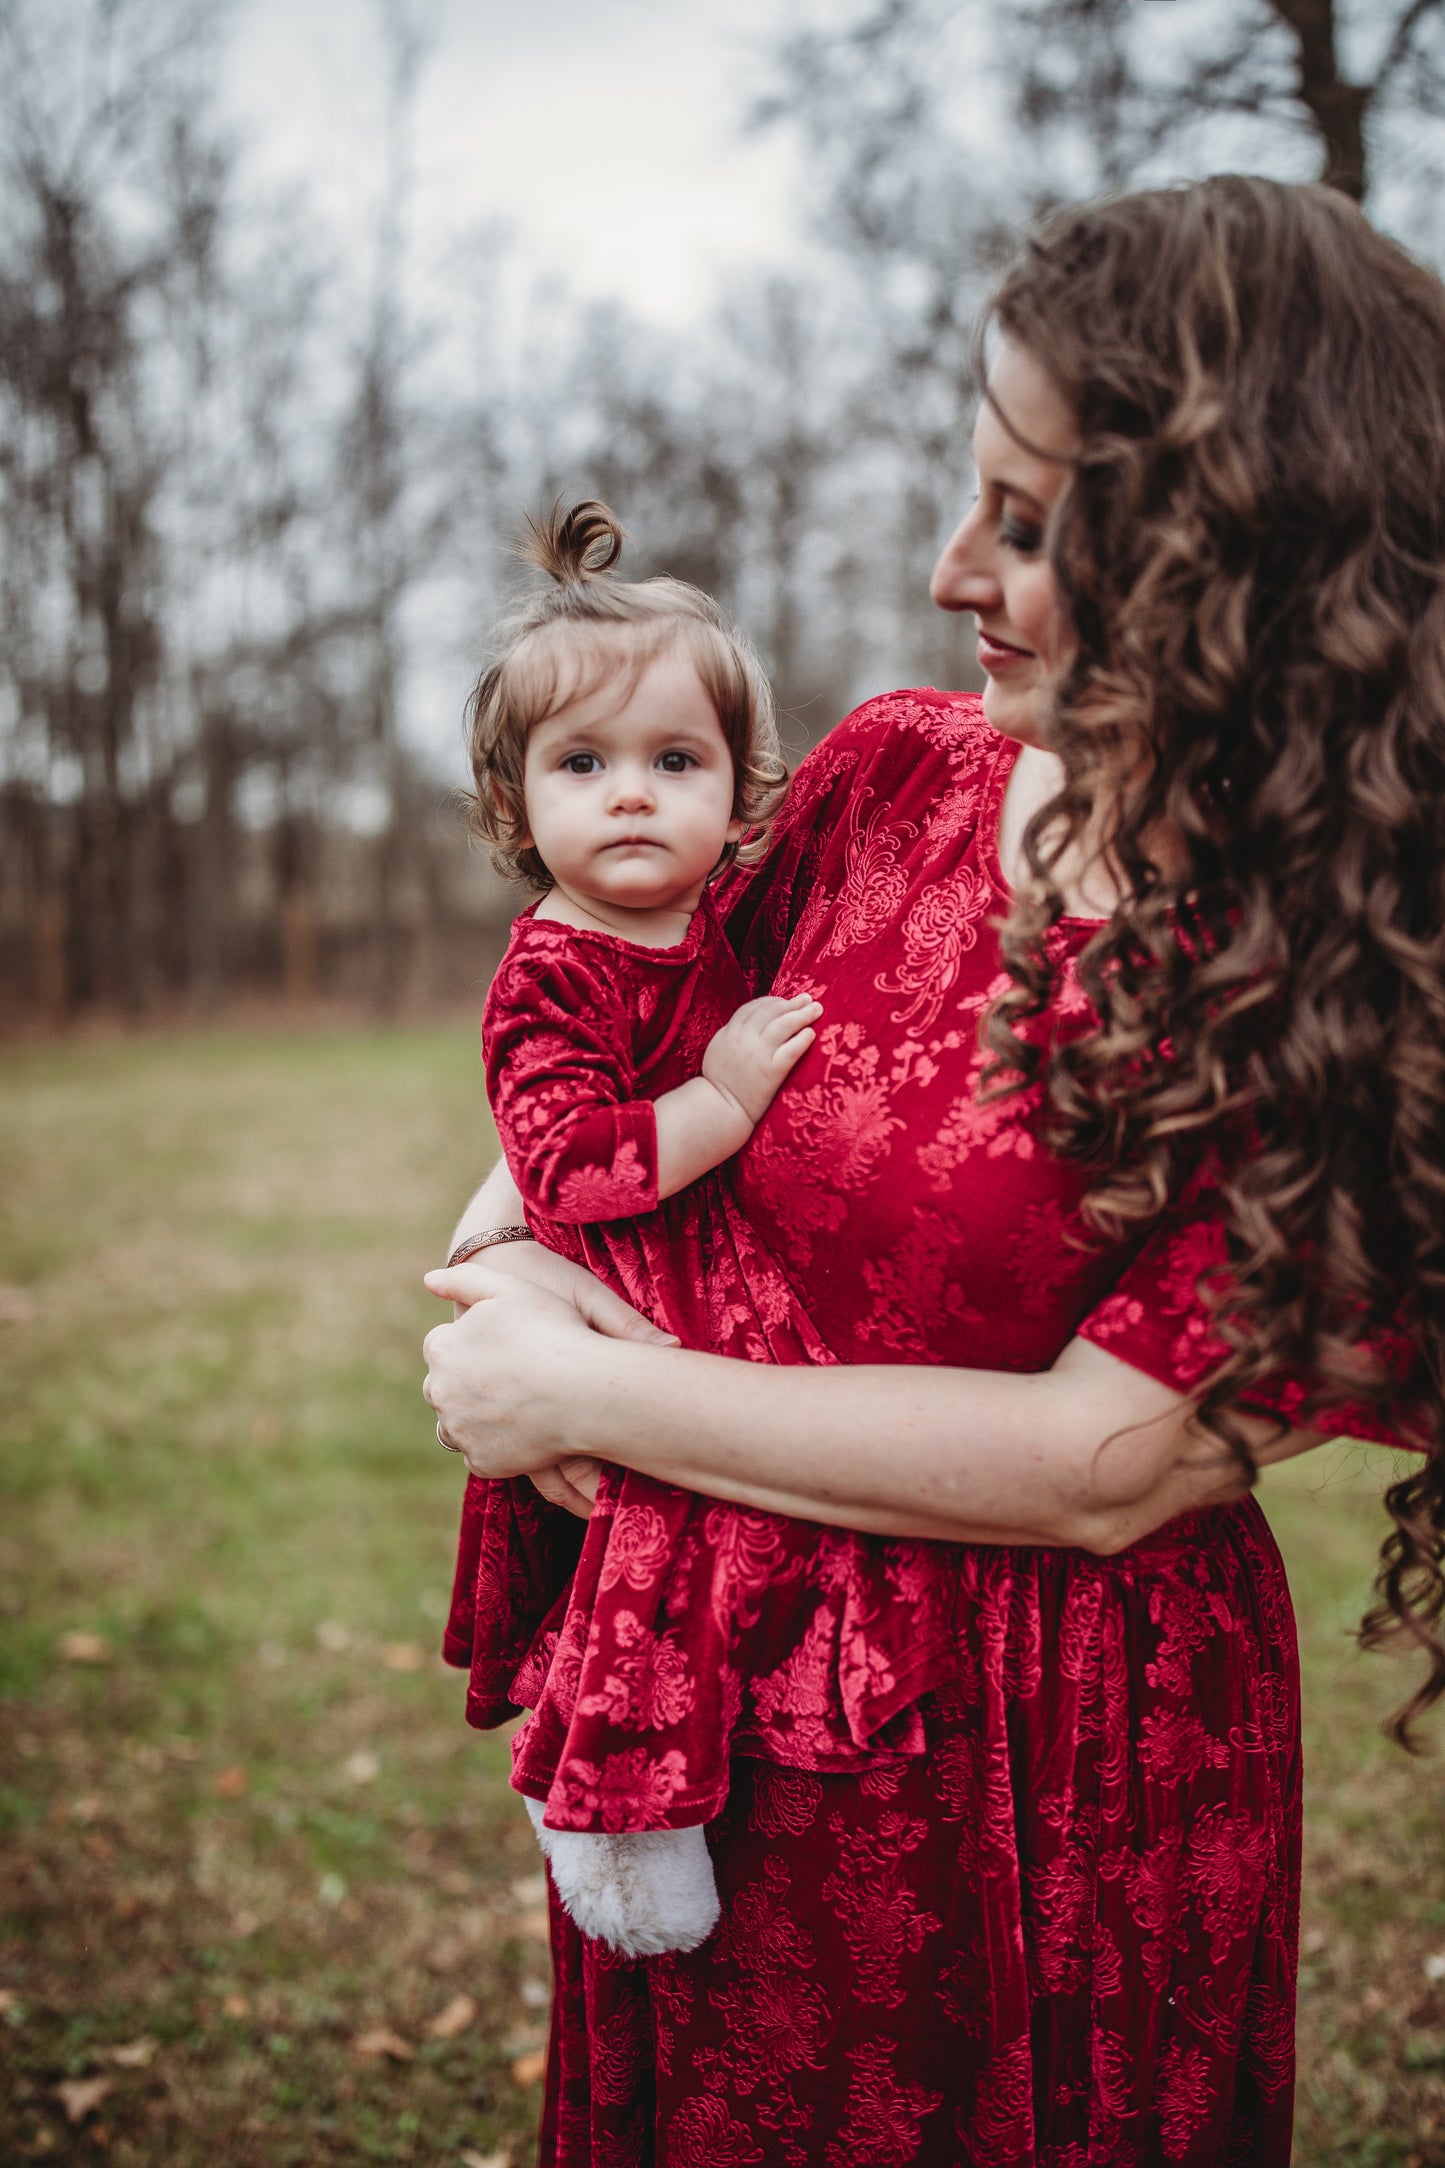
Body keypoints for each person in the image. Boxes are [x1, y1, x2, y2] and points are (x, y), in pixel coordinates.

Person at [424, 176, 1445, 2166]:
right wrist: (514, 1267)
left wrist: (594, 1390)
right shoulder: (893, 775)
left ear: (1250, 555)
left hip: (1054, 1772)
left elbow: (1112, 1458)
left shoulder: (1352, 957)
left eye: (1032, 523)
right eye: (966, 486)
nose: (944, 565)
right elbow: (611, 1074)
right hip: (738, 1720)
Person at [444, 501, 961, 1961]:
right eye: (582, 765)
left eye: (675, 763)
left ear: (741, 798)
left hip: (725, 1293)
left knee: (743, 1558)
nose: (630, 797)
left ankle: (726, 1771)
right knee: (643, 1561)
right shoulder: (551, 971)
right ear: (514, 805)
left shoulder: (717, 916)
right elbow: (564, 1168)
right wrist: (722, 1101)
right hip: (626, 1304)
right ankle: (610, 1817)